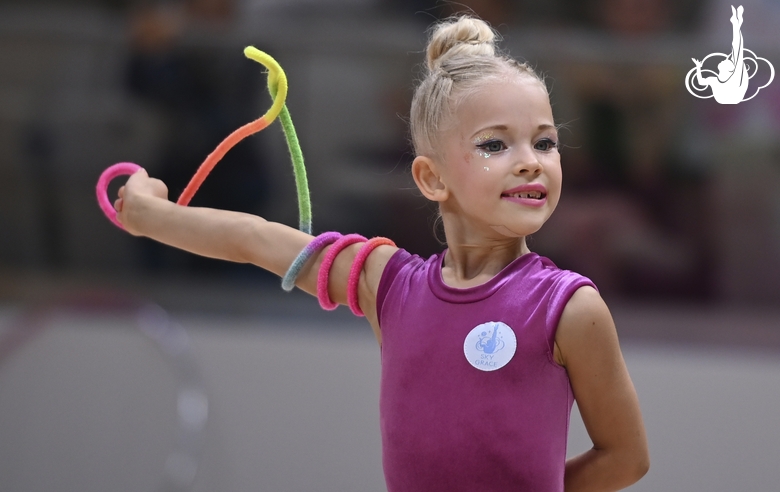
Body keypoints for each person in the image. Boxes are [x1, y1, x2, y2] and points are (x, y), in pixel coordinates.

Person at [113, 15, 649, 492]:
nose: (531, 162)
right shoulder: (390, 286)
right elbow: (254, 239)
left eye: (545, 142)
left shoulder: (569, 309)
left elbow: (625, 457)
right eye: (495, 144)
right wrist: (149, 215)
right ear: (431, 177)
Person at [692, 5, 748, 104]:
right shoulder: (715, 80)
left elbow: (737, 48)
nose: (726, 59)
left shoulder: (732, 78)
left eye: (727, 61)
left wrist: (736, 25)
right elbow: (701, 82)